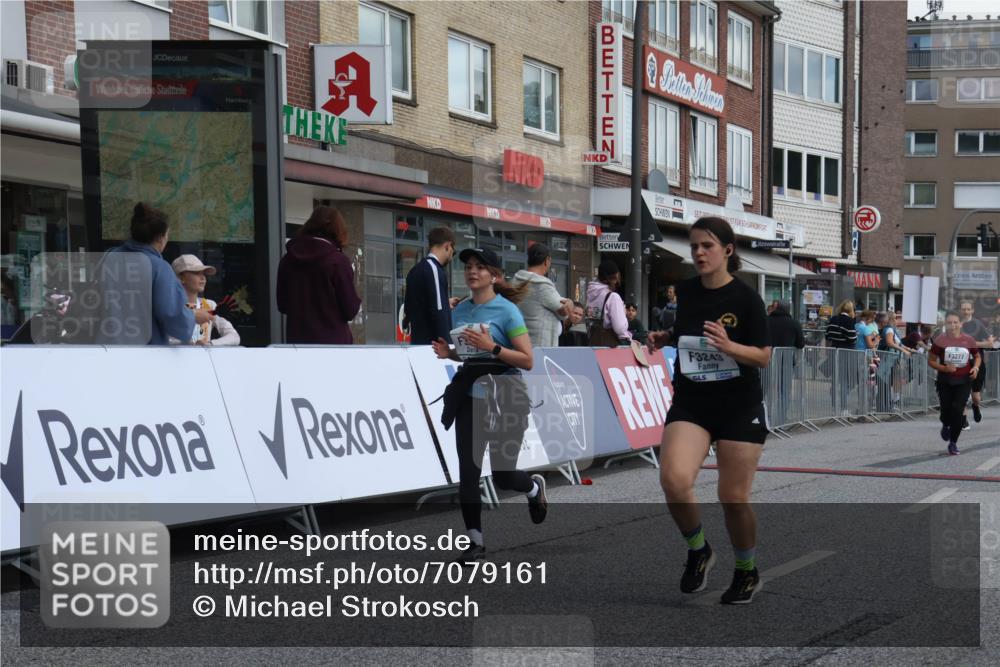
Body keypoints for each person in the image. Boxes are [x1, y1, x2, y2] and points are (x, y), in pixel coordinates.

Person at [646, 217, 771, 605]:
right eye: (695, 246)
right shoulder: (685, 291)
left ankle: (747, 570)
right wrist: (665, 337)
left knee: (733, 497)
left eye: (707, 246)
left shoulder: (747, 298)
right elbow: (686, 332)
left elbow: (763, 357)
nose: (698, 252)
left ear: (728, 251)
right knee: (674, 479)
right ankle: (699, 550)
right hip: (693, 402)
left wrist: (730, 347)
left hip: (738, 406)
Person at [432, 247, 546, 565]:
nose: (472, 272)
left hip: (507, 395)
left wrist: (493, 346)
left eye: (480, 267)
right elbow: (467, 354)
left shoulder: (507, 311)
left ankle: (534, 488)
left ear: (494, 275)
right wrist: (449, 353)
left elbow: (527, 360)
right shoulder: (461, 311)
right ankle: (475, 543)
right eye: (468, 266)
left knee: (503, 475)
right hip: (471, 397)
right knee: (468, 473)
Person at [96, 202, 201, 345]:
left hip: (102, 352)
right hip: (144, 356)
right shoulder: (159, 268)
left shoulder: (108, 259)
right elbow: (176, 321)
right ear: (160, 238)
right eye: (167, 235)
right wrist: (192, 316)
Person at [276, 206, 362, 345]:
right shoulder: (338, 262)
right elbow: (350, 310)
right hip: (333, 346)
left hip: (297, 344)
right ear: (338, 230)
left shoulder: (288, 260)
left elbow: (282, 305)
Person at [928, 311, 981, 455]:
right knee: (946, 411)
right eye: (949, 322)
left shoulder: (968, 340)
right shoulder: (940, 340)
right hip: (945, 381)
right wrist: (944, 368)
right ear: (945, 324)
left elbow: (977, 356)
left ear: (960, 324)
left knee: (958, 410)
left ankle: (953, 442)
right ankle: (945, 424)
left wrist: (975, 368)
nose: (952, 325)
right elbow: (931, 360)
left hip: (963, 381)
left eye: (955, 322)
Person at [170, 255, 240, 346]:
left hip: (203, 359)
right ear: (181, 278)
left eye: (203, 273)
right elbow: (165, 341)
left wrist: (210, 344)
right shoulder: (170, 306)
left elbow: (234, 336)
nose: (203, 278)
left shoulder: (209, 305)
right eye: (196, 273)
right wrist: (192, 344)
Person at [512, 243, 572, 348]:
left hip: (518, 343)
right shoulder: (542, 285)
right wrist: (569, 302)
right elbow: (563, 311)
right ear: (547, 260)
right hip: (540, 347)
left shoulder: (515, 281)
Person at [403, 226, 456, 345]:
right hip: (434, 347)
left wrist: (445, 303)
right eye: (453, 251)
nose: (452, 257)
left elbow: (410, 308)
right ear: (447, 246)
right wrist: (449, 347)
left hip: (418, 343)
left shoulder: (414, 270)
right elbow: (438, 311)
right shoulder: (434, 269)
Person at [959, 300, 995, 425]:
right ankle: (963, 419)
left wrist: (972, 344)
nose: (966, 311)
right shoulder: (956, 324)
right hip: (960, 363)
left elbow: (990, 343)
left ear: (972, 310)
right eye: (963, 309)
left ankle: (975, 406)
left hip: (977, 363)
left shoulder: (978, 324)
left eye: (968, 309)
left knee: (975, 396)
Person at [586, 259, 631, 347]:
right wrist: (624, 314)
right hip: (612, 346)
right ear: (616, 276)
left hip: (594, 342)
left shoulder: (590, 293)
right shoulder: (613, 297)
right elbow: (620, 328)